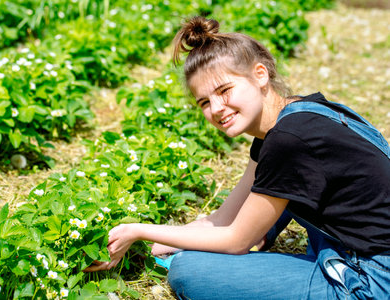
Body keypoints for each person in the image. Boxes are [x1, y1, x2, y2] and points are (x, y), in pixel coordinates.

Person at [85, 16, 390, 299]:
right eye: (204, 101)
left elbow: (235, 240)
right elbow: (224, 218)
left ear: (260, 75)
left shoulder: (287, 140)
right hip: (360, 244)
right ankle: (264, 236)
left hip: (374, 278)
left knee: (189, 271)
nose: (216, 108)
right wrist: (169, 239)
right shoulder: (298, 113)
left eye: (225, 90)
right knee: (232, 228)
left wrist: (137, 230)